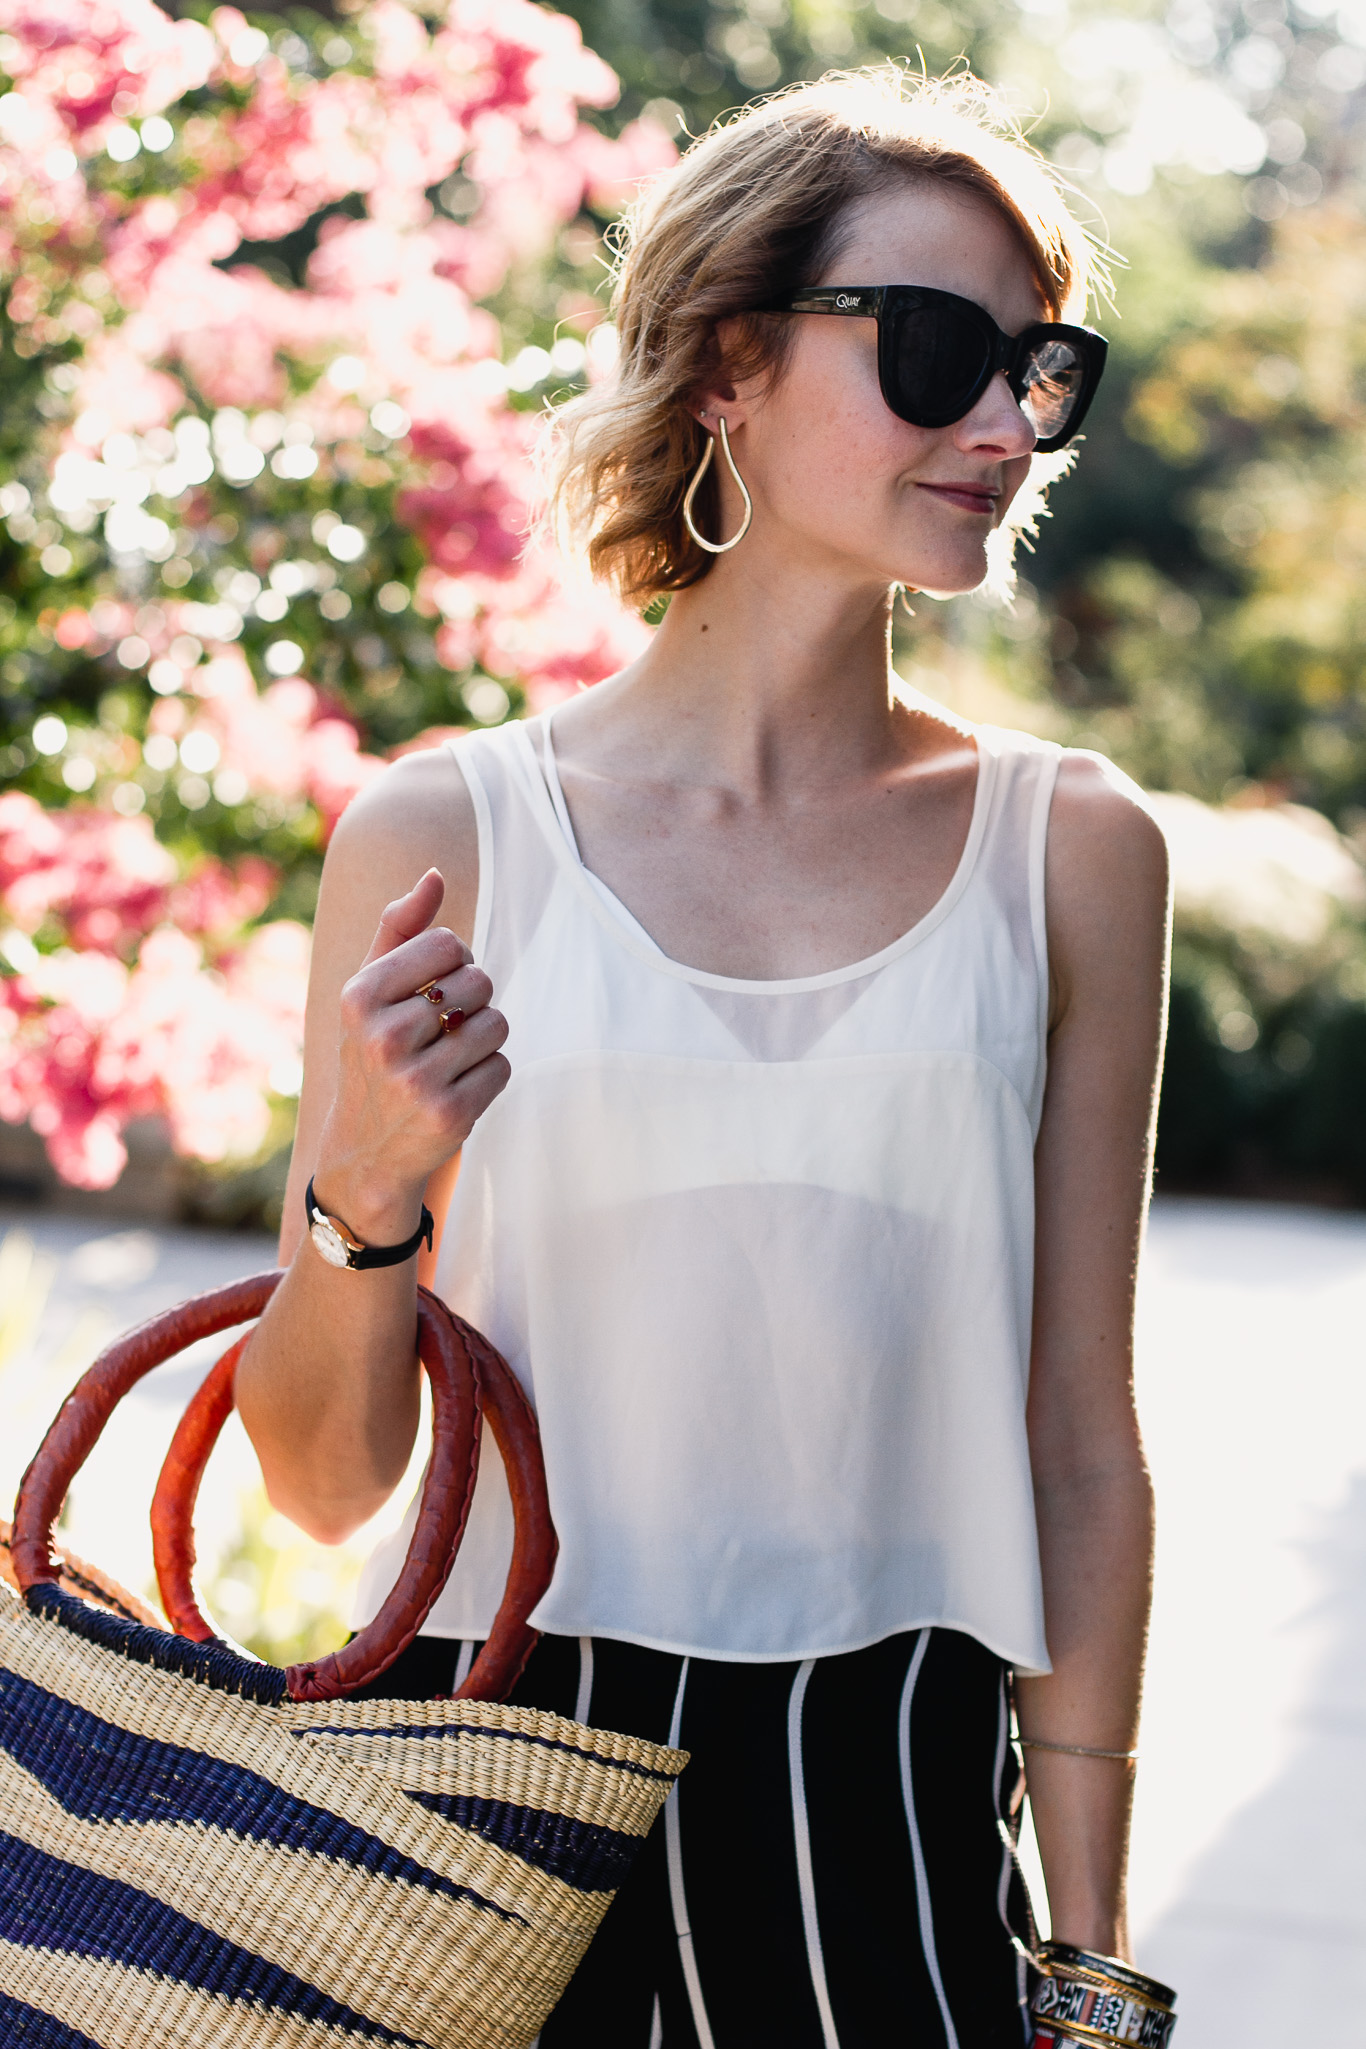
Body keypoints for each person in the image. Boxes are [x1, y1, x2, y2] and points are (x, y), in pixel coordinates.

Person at [236, 67, 1169, 2049]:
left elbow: (1078, 1435)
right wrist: (373, 1194)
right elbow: (323, 1485)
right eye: (935, 353)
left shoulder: (1072, 849)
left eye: (1037, 367)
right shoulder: (443, 835)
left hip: (889, 1808)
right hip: (474, 1777)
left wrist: (1085, 1958)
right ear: (725, 364)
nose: (1002, 424)